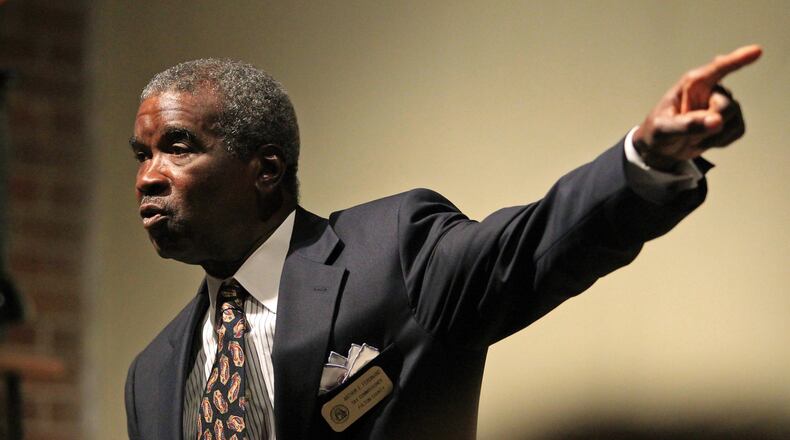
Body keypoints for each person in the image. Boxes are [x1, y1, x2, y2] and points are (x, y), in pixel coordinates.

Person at [124, 45, 762, 440]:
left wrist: (644, 159)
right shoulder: (151, 375)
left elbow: (531, 247)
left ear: (265, 170)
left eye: (177, 147)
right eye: (141, 155)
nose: (149, 176)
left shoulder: (392, 253)